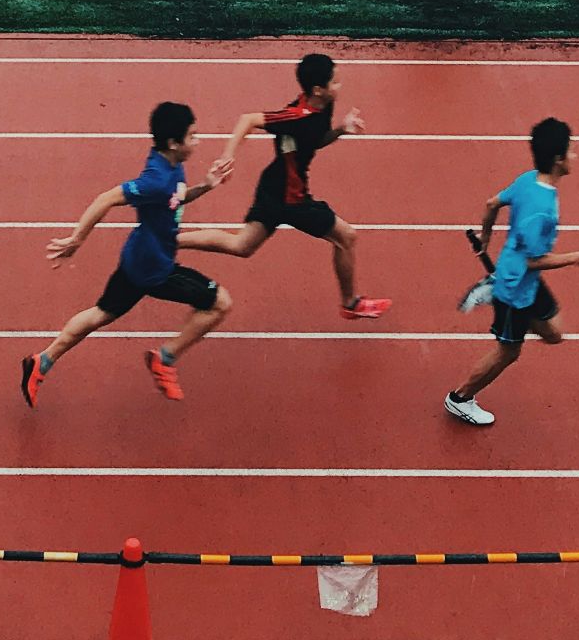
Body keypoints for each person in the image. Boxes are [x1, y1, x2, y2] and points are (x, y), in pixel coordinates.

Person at [20, 102, 233, 407]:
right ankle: (165, 358)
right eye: (193, 136)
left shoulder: (172, 164)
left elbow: (177, 197)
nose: (198, 142)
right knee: (220, 304)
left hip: (140, 258)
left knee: (100, 314)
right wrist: (76, 239)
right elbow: (106, 198)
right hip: (154, 269)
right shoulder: (155, 180)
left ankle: (41, 362)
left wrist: (206, 186)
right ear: (174, 143)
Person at [177, 53, 392, 320]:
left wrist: (339, 130)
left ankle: (170, 242)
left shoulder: (324, 105)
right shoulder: (296, 116)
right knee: (346, 237)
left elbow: (314, 140)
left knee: (242, 245)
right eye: (335, 82)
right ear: (318, 89)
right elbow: (247, 119)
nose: (340, 87)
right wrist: (227, 156)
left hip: (274, 187)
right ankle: (350, 303)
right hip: (292, 197)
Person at [444, 118, 579, 427]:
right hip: (516, 289)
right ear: (558, 159)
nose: (575, 156)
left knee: (554, 334)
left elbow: (492, 203)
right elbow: (533, 261)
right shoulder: (541, 209)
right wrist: (576, 257)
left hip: (523, 280)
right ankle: (460, 398)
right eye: (571, 151)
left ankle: (496, 289)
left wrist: (486, 236)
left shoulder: (529, 179)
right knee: (508, 352)